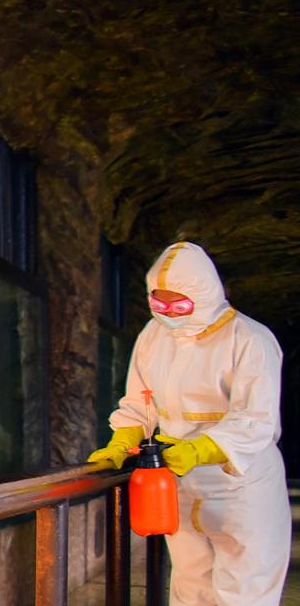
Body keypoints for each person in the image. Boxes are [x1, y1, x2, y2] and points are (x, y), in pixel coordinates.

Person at [89, 241, 290, 606]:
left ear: (205, 292)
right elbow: (140, 402)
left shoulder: (249, 339)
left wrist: (200, 450)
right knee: (189, 582)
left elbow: (255, 419)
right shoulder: (153, 335)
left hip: (240, 485)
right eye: (158, 303)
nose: (168, 314)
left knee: (245, 588)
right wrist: (122, 440)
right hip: (179, 481)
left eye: (178, 304)